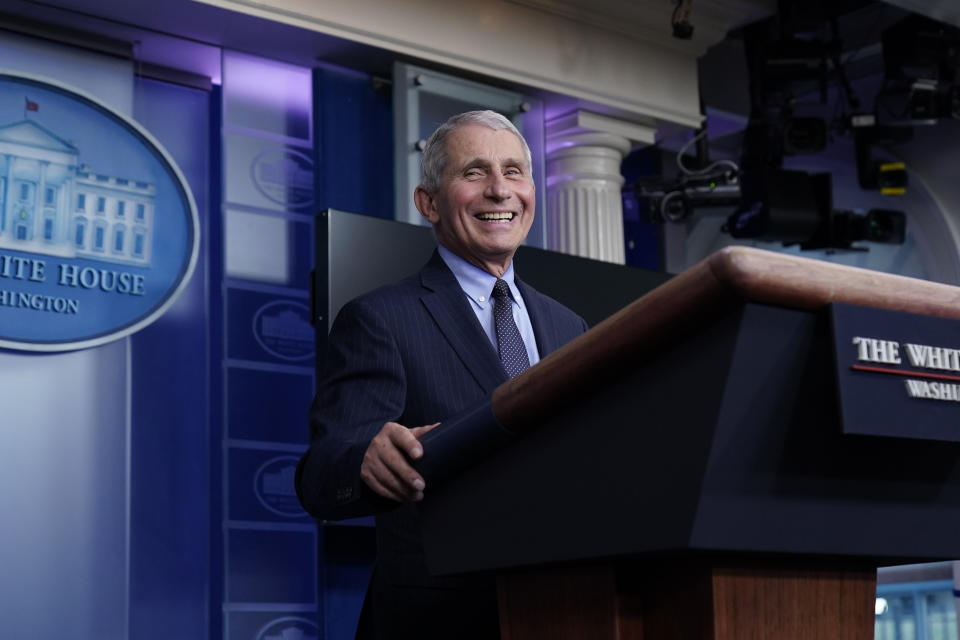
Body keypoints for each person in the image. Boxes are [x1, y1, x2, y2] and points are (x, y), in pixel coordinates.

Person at [295, 110, 588, 639]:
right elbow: (321, 473)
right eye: (474, 173)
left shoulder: (570, 326)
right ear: (428, 202)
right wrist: (365, 460)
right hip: (438, 622)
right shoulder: (381, 318)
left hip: (562, 608)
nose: (500, 190)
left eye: (515, 171)